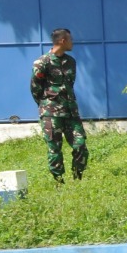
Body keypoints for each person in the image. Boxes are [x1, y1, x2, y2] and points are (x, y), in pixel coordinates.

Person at [29, 27, 88, 182]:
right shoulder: (42, 62)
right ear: (63, 41)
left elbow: (70, 85)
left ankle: (78, 178)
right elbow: (35, 87)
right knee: (54, 148)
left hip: (71, 113)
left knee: (80, 144)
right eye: (70, 39)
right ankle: (59, 182)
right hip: (51, 113)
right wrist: (45, 105)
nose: (72, 42)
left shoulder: (70, 62)